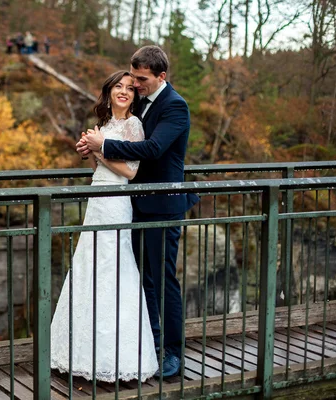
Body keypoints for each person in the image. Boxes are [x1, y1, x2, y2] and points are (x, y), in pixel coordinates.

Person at [77, 46, 199, 378]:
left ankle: (173, 353)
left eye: (141, 80)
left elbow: (153, 149)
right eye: (133, 78)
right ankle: (149, 344)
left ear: (162, 76)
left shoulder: (175, 106)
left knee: (163, 279)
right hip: (134, 204)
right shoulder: (141, 101)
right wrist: (93, 145)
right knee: (140, 278)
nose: (136, 85)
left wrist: (102, 146)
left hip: (162, 204)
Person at [50, 71, 158, 382]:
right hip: (97, 202)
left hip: (115, 203)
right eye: (118, 87)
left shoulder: (133, 125)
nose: (124, 91)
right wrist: (89, 152)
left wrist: (100, 149)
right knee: (89, 267)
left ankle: (117, 357)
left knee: (113, 268)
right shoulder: (106, 125)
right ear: (108, 92)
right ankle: (81, 353)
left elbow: (130, 172)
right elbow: (100, 168)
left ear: (134, 95)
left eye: (129, 88)